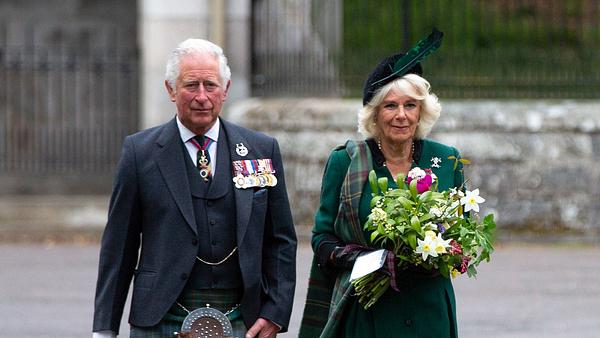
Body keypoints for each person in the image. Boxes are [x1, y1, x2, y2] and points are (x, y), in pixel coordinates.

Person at [92, 38, 297, 338]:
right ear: (171, 90)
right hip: (160, 314)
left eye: (210, 85)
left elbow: (281, 241)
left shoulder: (260, 149)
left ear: (225, 90)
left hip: (242, 315)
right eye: (191, 85)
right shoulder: (140, 152)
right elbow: (118, 246)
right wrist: (104, 329)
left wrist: (275, 312)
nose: (202, 96)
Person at [299, 30, 463, 338]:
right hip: (367, 314)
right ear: (375, 113)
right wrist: (372, 259)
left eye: (410, 105)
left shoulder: (447, 160)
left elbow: (462, 234)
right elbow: (322, 240)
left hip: (430, 312)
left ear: (422, 111)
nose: (401, 115)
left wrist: (445, 252)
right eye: (390, 106)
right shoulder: (346, 162)